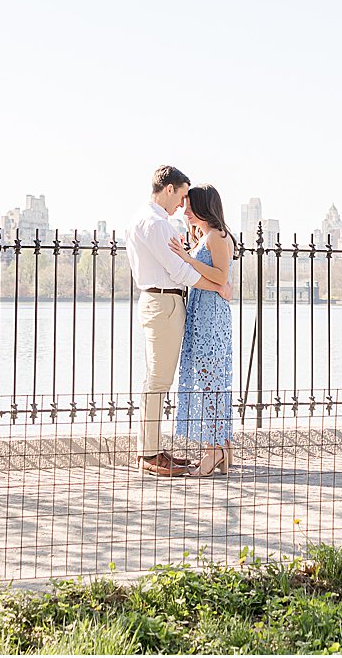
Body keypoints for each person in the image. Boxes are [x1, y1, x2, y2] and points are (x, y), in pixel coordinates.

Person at [125, 166, 232, 478]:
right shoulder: (155, 222)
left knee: (160, 379)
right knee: (159, 380)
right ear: (169, 189)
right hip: (164, 300)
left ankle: (154, 449)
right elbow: (179, 271)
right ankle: (150, 453)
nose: (182, 205)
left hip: (165, 301)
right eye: (182, 195)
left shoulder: (146, 219)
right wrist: (218, 287)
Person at [170, 183, 234, 477]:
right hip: (201, 312)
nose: (185, 210)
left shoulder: (217, 236)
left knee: (211, 382)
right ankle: (220, 446)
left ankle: (214, 451)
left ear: (204, 206)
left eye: (190, 206)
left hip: (211, 316)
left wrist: (187, 258)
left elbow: (221, 277)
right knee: (209, 381)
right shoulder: (202, 236)